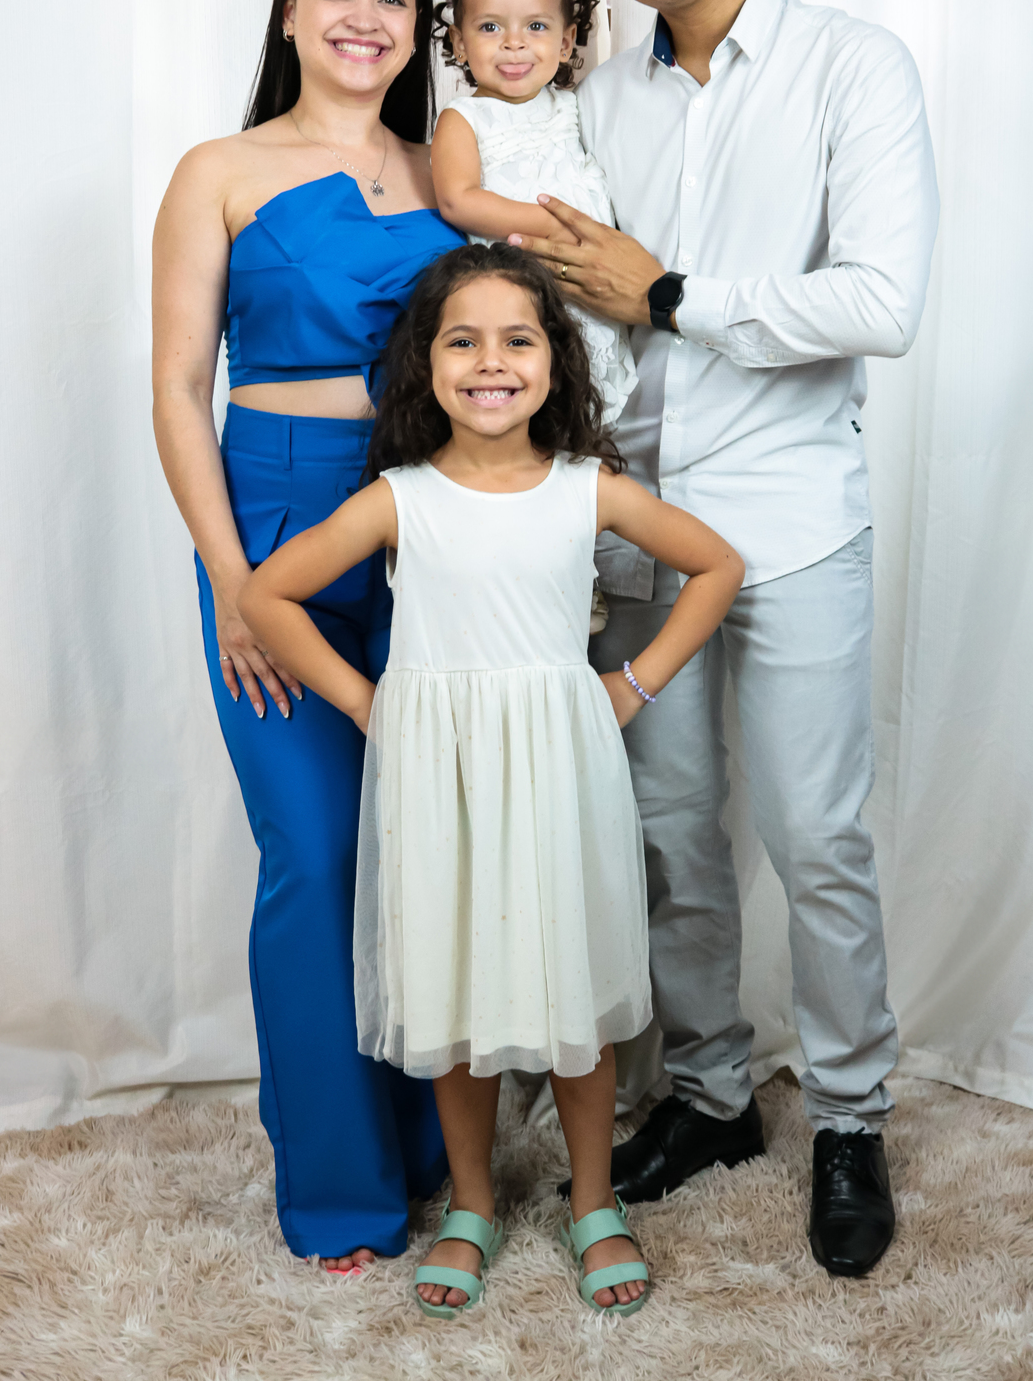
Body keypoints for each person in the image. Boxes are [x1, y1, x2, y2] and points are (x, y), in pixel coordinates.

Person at [509, 0, 939, 1278]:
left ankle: (850, 1116)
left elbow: (881, 300)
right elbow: (570, 300)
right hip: (638, 527)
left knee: (816, 836)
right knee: (672, 835)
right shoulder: (597, 104)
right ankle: (709, 1098)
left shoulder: (852, 66)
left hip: (794, 515)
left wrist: (676, 295)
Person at [238, 241, 745, 1319]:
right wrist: (369, 703)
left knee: (573, 994)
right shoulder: (399, 498)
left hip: (557, 772)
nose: (490, 363)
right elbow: (268, 595)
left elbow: (718, 566)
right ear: (425, 364)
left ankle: (594, 1202)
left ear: (555, 362)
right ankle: (472, 1204)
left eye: (517, 340)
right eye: (462, 342)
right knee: (454, 989)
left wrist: (633, 685)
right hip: (442, 780)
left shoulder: (587, 490)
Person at [151, 0, 463, 1270]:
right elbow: (177, 388)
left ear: (419, 29)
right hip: (273, 523)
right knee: (318, 850)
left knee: (425, 845)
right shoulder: (218, 168)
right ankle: (339, 1193)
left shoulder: (450, 172)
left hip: (431, 522)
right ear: (290, 10)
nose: (363, 18)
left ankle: (431, 1150)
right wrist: (232, 581)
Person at [430, 0, 638, 429]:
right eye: (490, 27)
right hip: (523, 294)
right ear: (459, 42)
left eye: (536, 26)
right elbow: (458, 200)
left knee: (598, 407)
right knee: (539, 410)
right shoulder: (463, 118)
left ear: (566, 42)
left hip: (593, 286)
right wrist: (553, 226)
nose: (514, 42)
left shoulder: (572, 107)